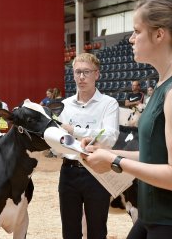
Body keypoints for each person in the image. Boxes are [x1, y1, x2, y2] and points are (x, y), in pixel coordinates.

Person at [80, 0, 172, 238]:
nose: (131, 39)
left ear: (159, 34)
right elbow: (158, 154)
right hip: (158, 216)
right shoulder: (166, 84)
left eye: (137, 31)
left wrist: (115, 163)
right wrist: (110, 153)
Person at [58, 52, 119, 239]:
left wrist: (73, 130)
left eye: (86, 72)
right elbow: (59, 141)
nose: (81, 77)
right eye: (77, 72)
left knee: (97, 230)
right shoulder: (64, 105)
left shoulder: (109, 104)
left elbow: (109, 137)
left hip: (97, 172)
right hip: (68, 171)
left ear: (97, 74)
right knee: (69, 231)